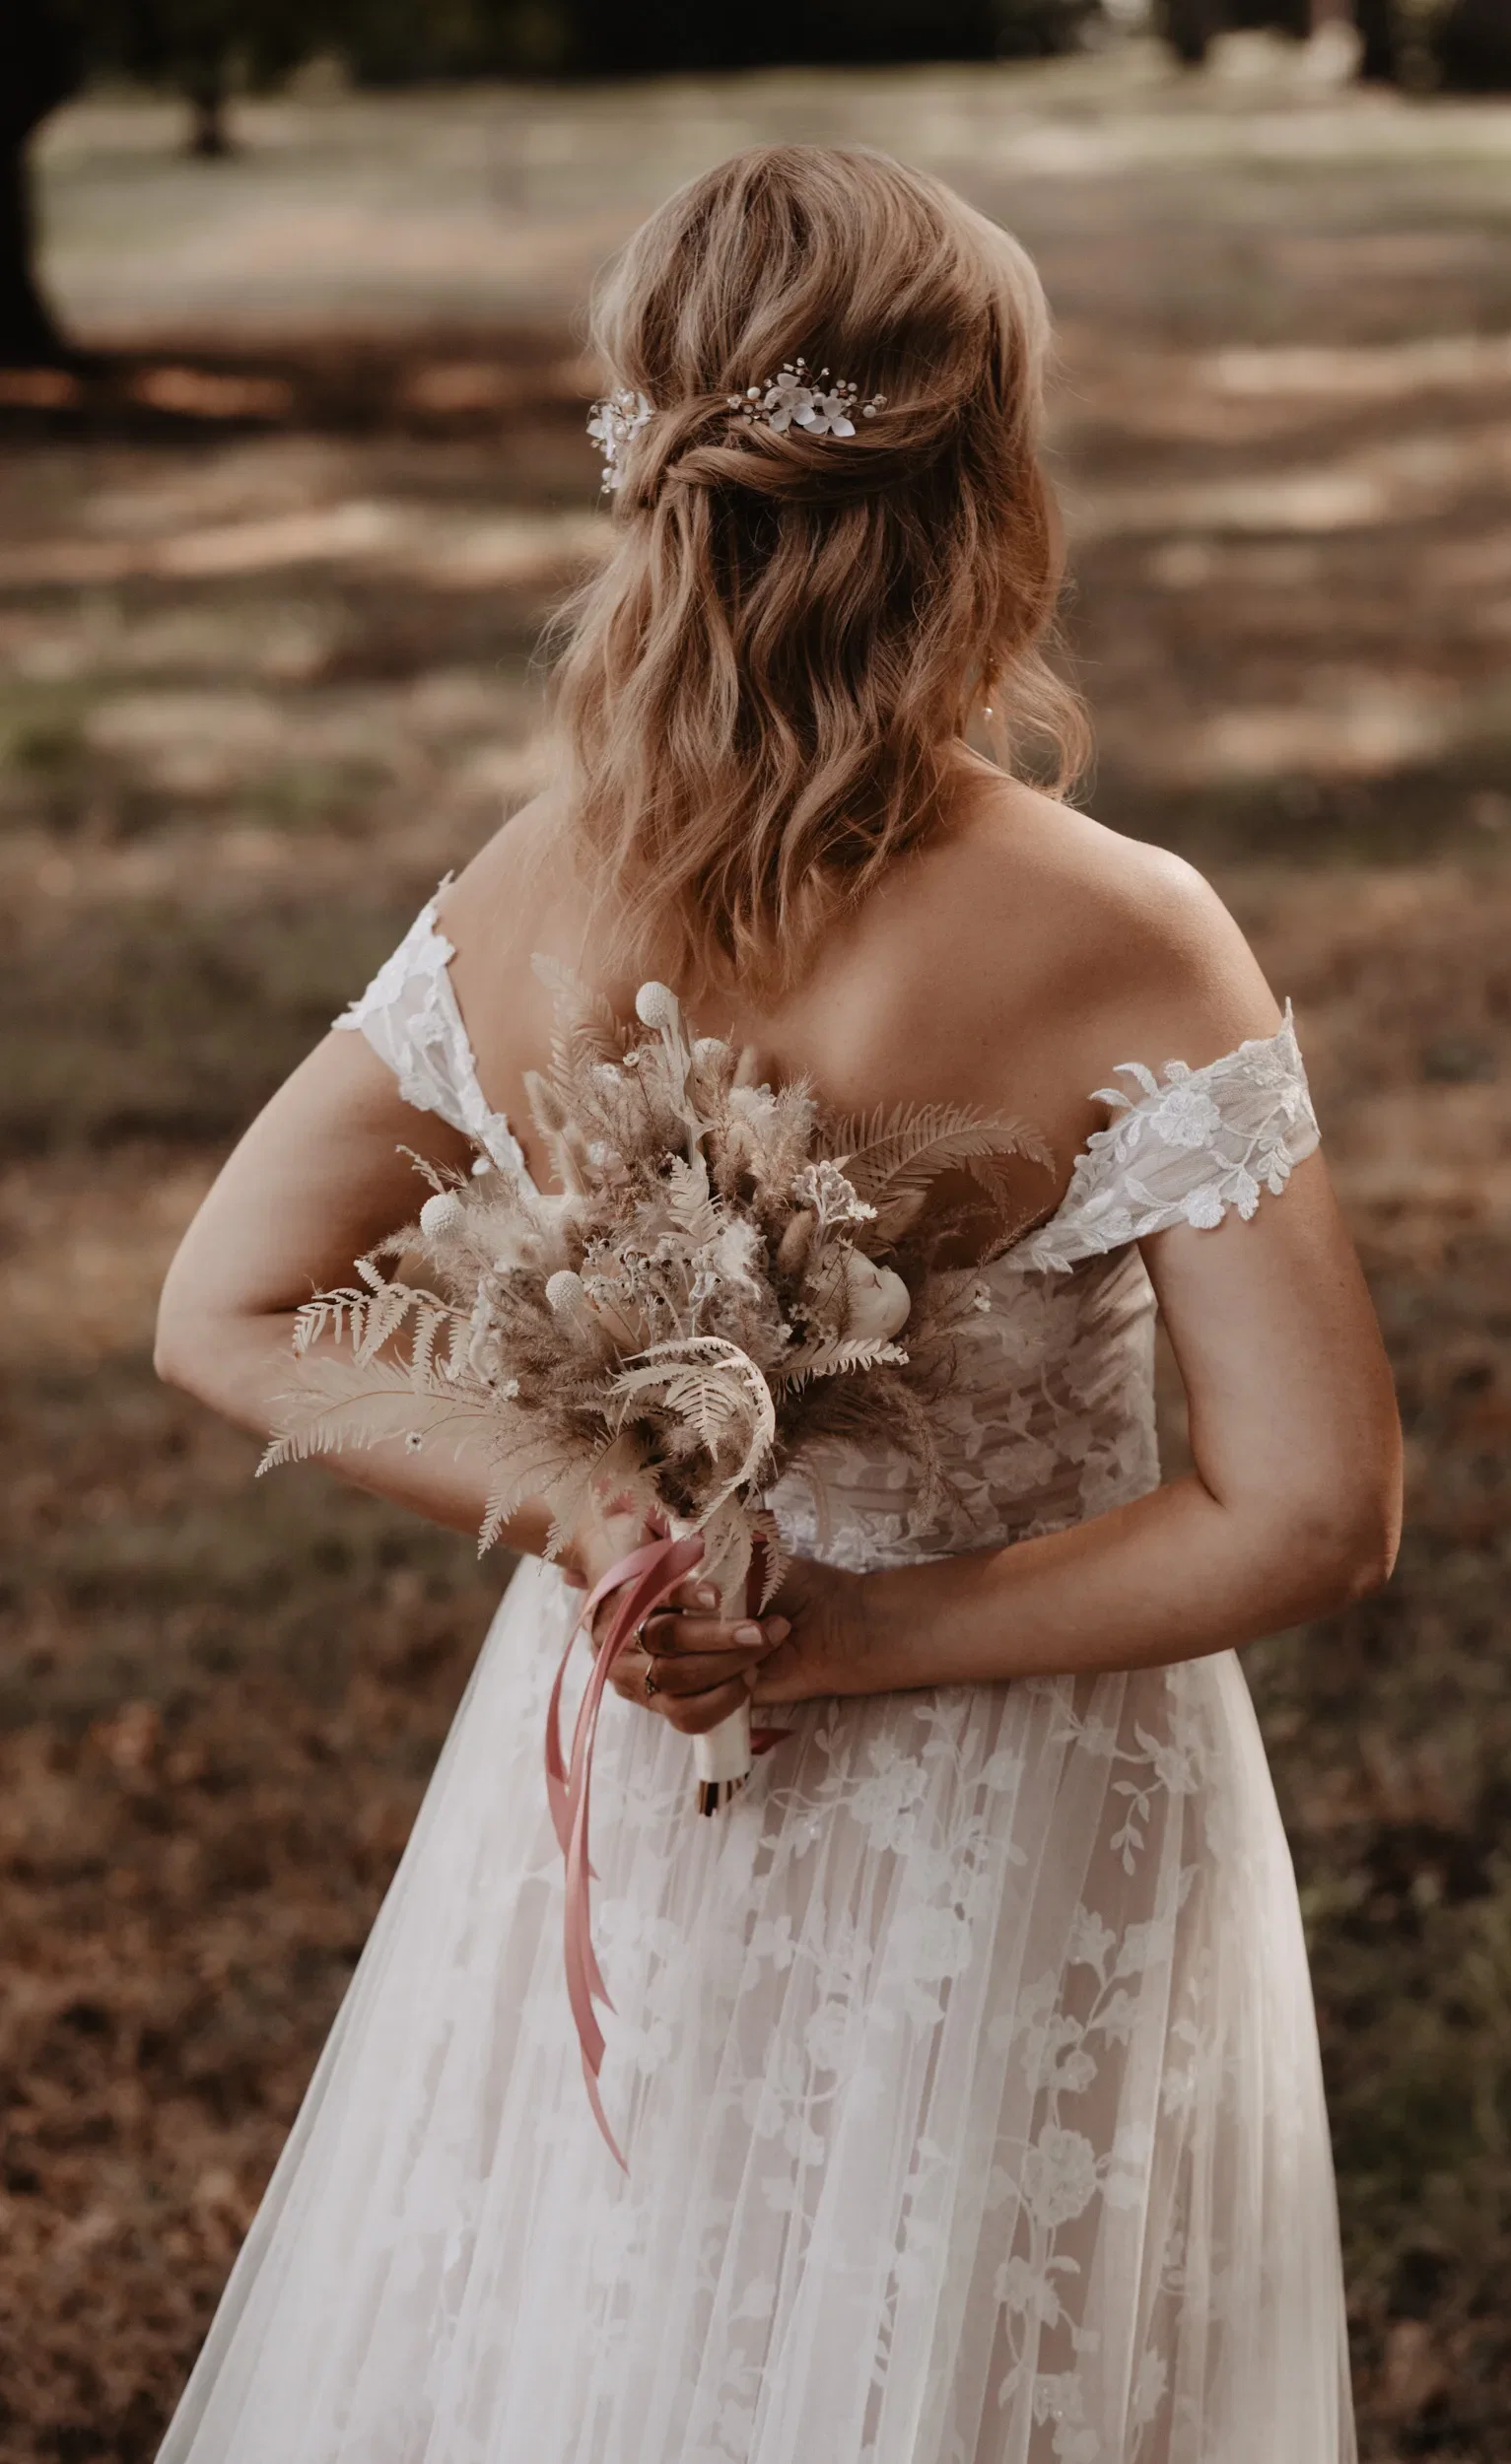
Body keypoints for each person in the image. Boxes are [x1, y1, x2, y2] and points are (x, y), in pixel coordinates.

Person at [152, 143, 1401, 2464]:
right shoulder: (1126, 934)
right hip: (1017, 1795)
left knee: (608, 2307)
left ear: (651, 466)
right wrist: (846, 1632)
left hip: (631, 1735)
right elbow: (1314, 1509)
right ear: (987, 490)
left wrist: (593, 1525)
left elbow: (228, 1305)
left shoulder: (530, 890)